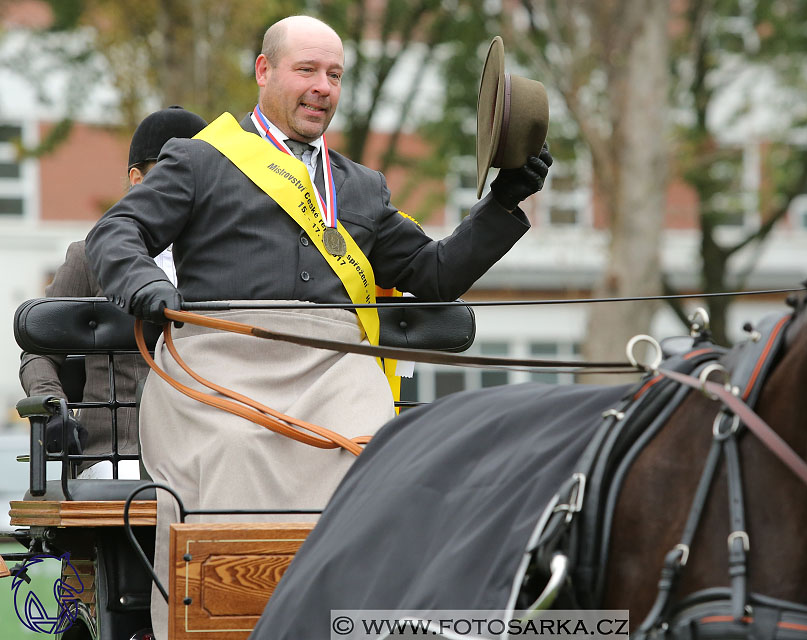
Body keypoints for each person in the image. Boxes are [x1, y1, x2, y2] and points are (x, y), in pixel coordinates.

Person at [85, 15, 551, 638]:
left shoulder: (361, 187)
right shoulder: (201, 161)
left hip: (335, 366)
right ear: (265, 71)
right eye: (307, 70)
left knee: (370, 454)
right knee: (233, 451)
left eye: (333, 74)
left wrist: (504, 203)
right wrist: (144, 285)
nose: (322, 87)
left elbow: (433, 273)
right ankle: (229, 621)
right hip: (220, 361)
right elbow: (117, 232)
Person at [19, 106, 208, 480]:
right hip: (116, 454)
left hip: (207, 448)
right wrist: (54, 407)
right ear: (137, 179)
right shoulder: (89, 256)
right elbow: (39, 350)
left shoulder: (227, 260)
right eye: (172, 177)